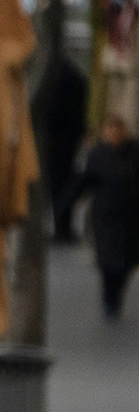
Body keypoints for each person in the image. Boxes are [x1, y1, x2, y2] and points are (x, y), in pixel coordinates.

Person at [66, 116, 139, 323]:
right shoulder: (97, 155)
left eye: (118, 131)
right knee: (108, 262)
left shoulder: (134, 152)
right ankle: (109, 299)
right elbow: (84, 181)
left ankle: (116, 297)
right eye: (110, 131)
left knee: (127, 262)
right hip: (106, 218)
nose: (114, 135)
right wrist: (64, 205)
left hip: (131, 219)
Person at [32, 56, 87, 244]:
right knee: (64, 184)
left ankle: (60, 227)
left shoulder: (54, 76)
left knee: (55, 185)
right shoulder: (74, 76)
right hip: (68, 140)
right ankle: (63, 227)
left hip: (55, 139)